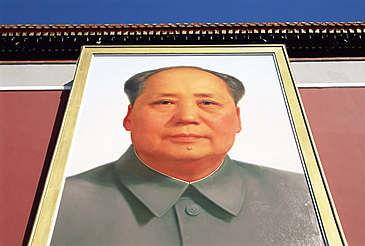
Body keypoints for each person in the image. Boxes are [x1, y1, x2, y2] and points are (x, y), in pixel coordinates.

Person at [51, 66, 324, 245]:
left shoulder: (302, 194)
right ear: (130, 117)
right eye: (164, 102)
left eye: (207, 103)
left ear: (237, 119)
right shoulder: (61, 203)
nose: (188, 118)